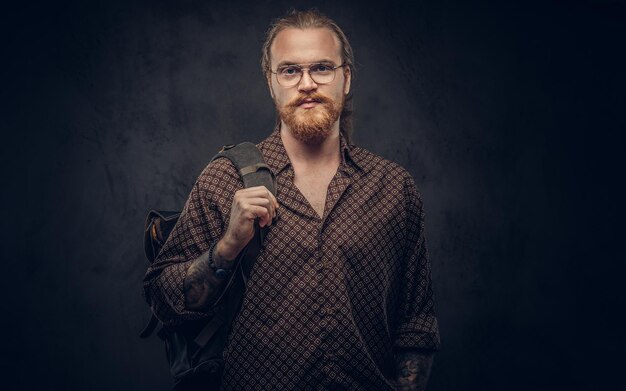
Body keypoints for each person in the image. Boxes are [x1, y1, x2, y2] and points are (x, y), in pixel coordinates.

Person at [144, 9, 440, 391]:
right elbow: (163, 299)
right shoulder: (225, 179)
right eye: (289, 70)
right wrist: (227, 247)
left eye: (321, 68)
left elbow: (416, 325)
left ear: (345, 78)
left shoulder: (393, 188)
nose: (306, 84)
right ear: (271, 82)